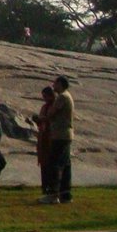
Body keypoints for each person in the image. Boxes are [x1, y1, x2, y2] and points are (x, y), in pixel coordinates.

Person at [42, 76, 75, 205]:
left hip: (60, 135)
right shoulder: (68, 96)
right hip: (66, 135)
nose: (53, 86)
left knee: (54, 164)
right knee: (66, 165)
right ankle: (65, 195)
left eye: (55, 83)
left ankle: (53, 195)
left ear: (60, 84)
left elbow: (51, 113)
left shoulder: (62, 97)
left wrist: (42, 117)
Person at [32, 85, 57, 198]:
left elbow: (52, 120)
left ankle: (52, 186)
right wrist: (37, 121)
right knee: (43, 163)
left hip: (52, 137)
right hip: (43, 137)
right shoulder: (44, 107)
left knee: (51, 163)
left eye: (46, 96)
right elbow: (41, 122)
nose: (44, 99)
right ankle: (45, 186)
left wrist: (42, 119)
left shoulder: (55, 106)